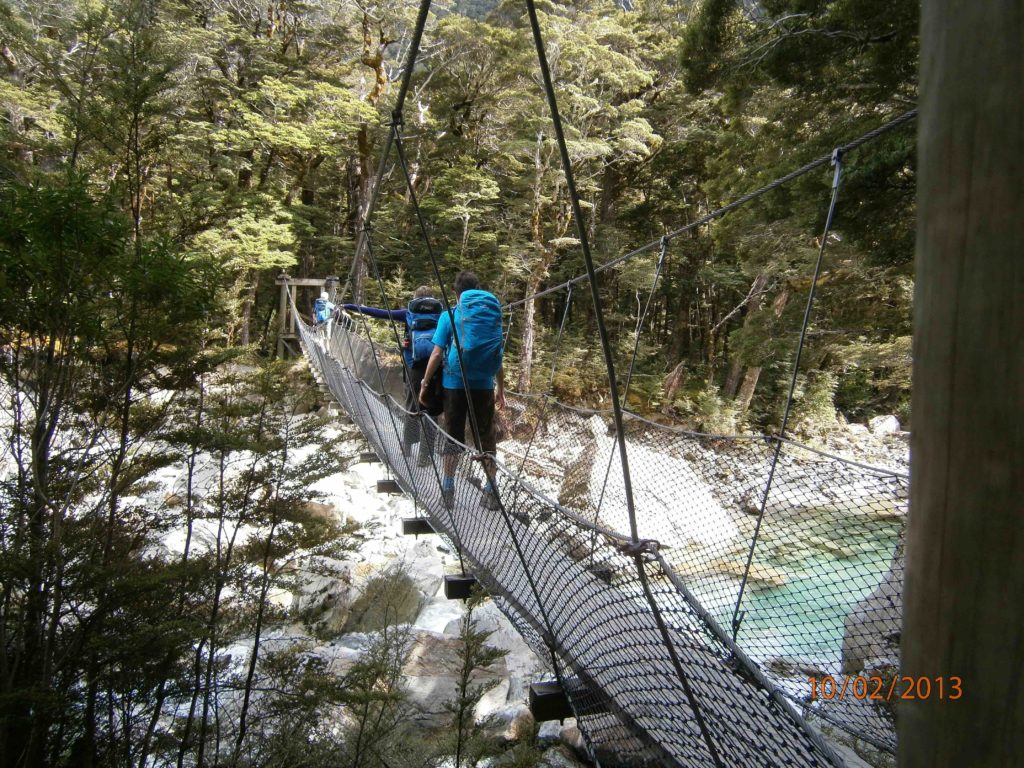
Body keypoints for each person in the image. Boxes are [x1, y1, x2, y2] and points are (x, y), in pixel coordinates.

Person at [419, 271, 505, 510]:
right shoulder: (491, 316)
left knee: (452, 437)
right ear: (476, 289)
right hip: (485, 385)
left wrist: (424, 384)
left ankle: (448, 489)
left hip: (454, 384)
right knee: (486, 437)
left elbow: (436, 354)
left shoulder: (450, 315)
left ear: (457, 294)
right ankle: (491, 490)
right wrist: (501, 388)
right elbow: (498, 354)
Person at [342, 287, 444, 465]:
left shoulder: (408, 313)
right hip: (436, 367)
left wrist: (350, 306)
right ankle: (424, 456)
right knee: (432, 410)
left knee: (413, 407)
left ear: (415, 298)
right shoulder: (441, 315)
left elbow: (378, 313)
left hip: (414, 367)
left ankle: (407, 446)